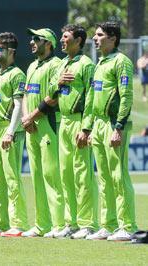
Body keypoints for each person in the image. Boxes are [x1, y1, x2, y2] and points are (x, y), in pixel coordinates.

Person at [86, 21, 138, 241]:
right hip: (98, 125)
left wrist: (118, 126)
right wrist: (87, 127)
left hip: (113, 124)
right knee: (104, 177)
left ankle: (128, 226)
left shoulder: (121, 62)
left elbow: (126, 96)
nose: (95, 39)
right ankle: (109, 225)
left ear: (113, 38)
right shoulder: (100, 63)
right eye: (95, 35)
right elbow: (91, 98)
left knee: (118, 176)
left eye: (99, 35)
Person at [47, 24, 99, 239]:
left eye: (66, 37)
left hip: (78, 121)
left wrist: (86, 127)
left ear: (78, 41)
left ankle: (88, 224)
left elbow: (91, 97)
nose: (62, 40)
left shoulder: (86, 64)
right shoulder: (62, 65)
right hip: (64, 122)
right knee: (66, 174)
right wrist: (57, 83)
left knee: (82, 174)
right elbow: (51, 91)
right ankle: (72, 222)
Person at [0, 32, 29, 237]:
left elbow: (19, 105)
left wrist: (10, 132)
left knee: (12, 179)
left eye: (0, 49)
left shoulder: (17, 74)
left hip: (10, 131)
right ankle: (0, 223)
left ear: (11, 52)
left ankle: (17, 224)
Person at [21, 28, 65, 238]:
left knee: (52, 176)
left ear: (48, 43)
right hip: (31, 127)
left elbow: (53, 97)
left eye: (36, 39)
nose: (32, 42)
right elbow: (24, 95)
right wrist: (25, 118)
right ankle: (42, 225)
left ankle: (59, 224)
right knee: (37, 176)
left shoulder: (56, 65)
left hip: (48, 125)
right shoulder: (31, 66)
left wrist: (32, 117)